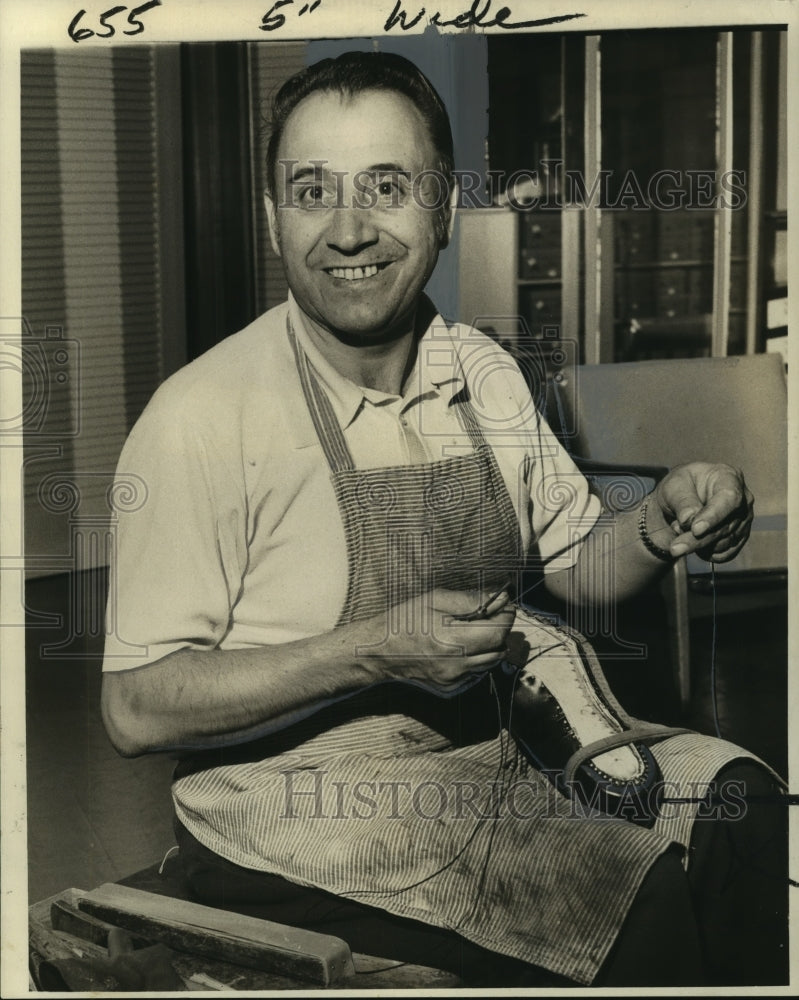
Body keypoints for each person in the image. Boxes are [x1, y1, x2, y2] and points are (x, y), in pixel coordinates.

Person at [101, 51, 786, 987]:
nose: (348, 230)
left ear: (442, 210)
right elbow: (134, 708)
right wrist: (372, 651)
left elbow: (575, 573)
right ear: (271, 219)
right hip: (280, 810)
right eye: (311, 191)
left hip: (475, 757)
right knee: (630, 898)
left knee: (741, 806)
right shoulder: (202, 417)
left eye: (386, 185)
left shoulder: (482, 374)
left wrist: (654, 529)